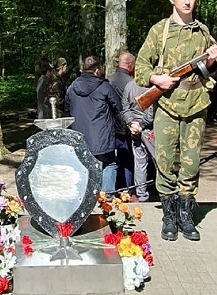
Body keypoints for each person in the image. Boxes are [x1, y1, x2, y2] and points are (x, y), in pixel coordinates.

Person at [135, 0, 217, 242]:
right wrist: (156, 79)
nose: (187, 1)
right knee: (164, 162)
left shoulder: (203, 32)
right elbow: (140, 67)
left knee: (191, 163)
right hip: (167, 105)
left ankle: (186, 215)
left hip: (196, 104)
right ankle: (169, 216)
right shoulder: (159, 31)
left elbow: (207, 71)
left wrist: (211, 62)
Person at [64, 55, 123, 194]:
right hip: (103, 137)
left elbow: (66, 110)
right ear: (97, 70)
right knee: (109, 164)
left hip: (79, 137)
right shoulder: (104, 86)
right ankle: (107, 198)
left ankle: (86, 198)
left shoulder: (72, 87)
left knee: (84, 167)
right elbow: (118, 108)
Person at [121, 72, 154, 202]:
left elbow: (125, 108)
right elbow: (152, 109)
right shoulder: (152, 85)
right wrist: (141, 124)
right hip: (150, 130)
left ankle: (141, 194)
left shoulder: (129, 86)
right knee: (159, 160)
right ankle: (166, 193)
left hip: (134, 129)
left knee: (140, 163)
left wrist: (131, 123)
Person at [107, 52, 136, 193]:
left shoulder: (108, 80)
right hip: (126, 125)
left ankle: (113, 187)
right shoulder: (131, 82)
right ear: (130, 64)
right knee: (127, 159)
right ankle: (127, 189)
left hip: (110, 125)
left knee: (110, 160)